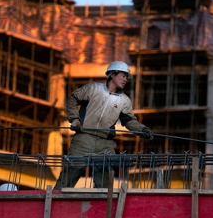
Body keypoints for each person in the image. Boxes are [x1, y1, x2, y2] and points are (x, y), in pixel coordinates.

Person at [53, 61, 154, 190]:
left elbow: (129, 121)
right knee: (69, 174)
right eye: (123, 76)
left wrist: (142, 129)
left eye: (127, 78)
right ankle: (53, 206)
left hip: (105, 144)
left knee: (105, 183)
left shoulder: (124, 101)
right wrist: (74, 119)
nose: (125, 80)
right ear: (112, 74)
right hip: (84, 139)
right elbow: (73, 98)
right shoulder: (93, 88)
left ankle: (102, 208)